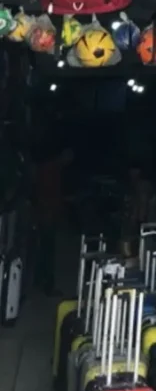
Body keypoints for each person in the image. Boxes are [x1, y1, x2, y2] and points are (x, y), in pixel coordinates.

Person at [31, 125, 72, 296]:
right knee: (47, 251)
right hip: (46, 214)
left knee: (45, 250)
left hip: (46, 213)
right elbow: (46, 193)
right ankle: (46, 284)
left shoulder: (52, 169)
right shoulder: (51, 170)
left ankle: (40, 282)